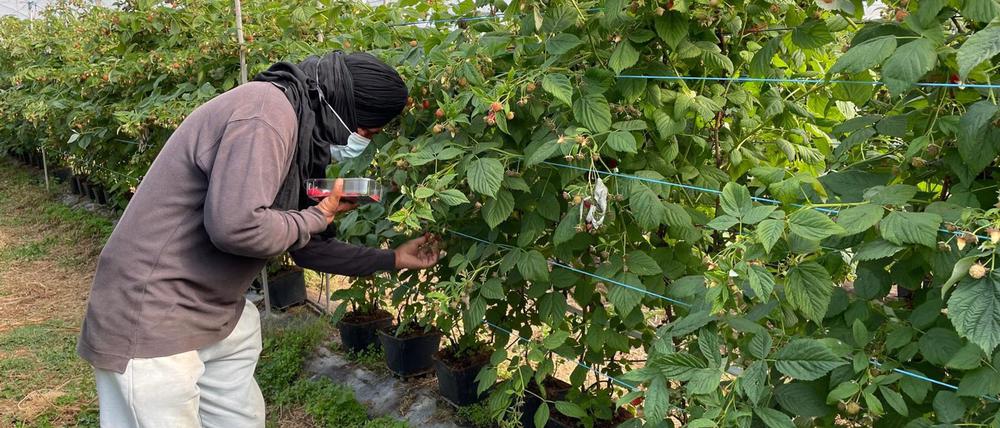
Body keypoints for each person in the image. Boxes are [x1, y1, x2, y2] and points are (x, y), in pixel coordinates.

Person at [77, 51, 438, 427]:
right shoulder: (266, 113)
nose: (360, 141)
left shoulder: (302, 130)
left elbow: (308, 245)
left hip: (216, 313)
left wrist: (392, 259)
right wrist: (316, 216)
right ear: (342, 104)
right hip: (152, 316)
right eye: (366, 131)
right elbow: (237, 227)